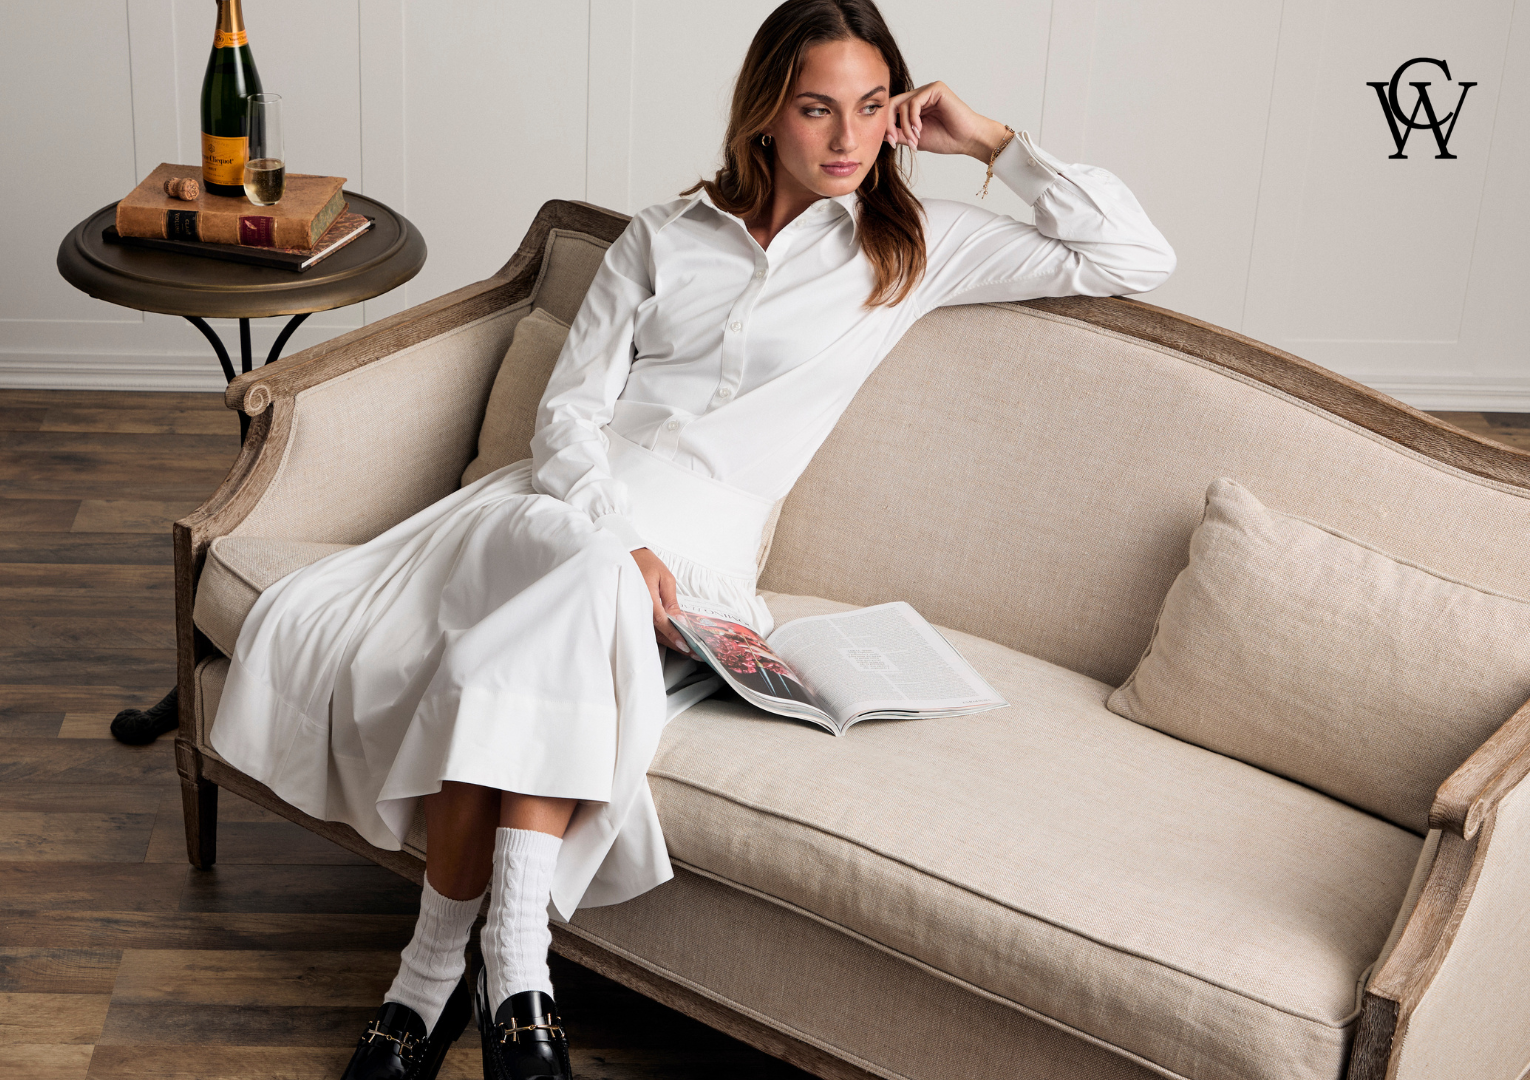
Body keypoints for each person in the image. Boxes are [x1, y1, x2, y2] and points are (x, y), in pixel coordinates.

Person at [207, 1, 1174, 1077]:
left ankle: (430, 984)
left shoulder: (912, 248)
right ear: (767, 114)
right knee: (589, 584)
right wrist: (614, 535)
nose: (848, 138)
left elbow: (1134, 253)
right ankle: (514, 983)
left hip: (702, 561)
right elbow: (569, 414)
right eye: (817, 109)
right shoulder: (663, 237)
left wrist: (989, 139)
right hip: (554, 514)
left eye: (868, 107)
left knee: (529, 646)